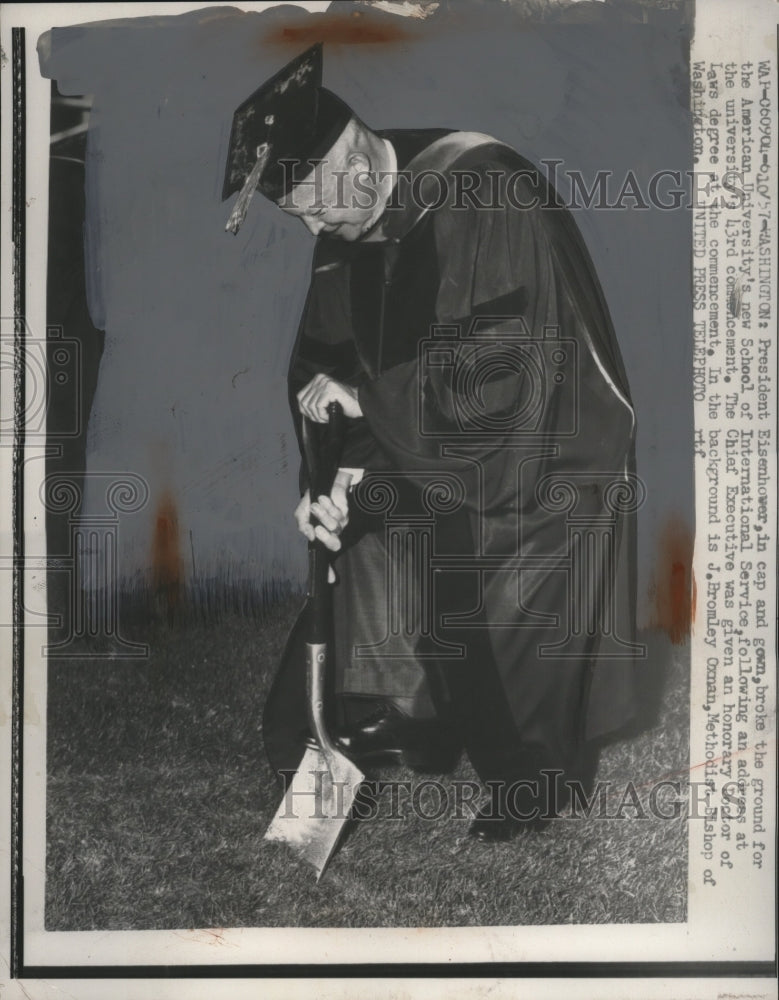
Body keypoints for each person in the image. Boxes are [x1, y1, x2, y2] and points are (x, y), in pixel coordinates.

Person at [223, 43, 642, 840]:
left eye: (314, 204)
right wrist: (326, 478)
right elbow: (323, 363)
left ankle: (527, 784)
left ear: (351, 152)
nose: (313, 227)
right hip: (429, 447)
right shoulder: (346, 226)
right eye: (300, 215)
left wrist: (373, 402)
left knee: (499, 606)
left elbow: (514, 365)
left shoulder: (484, 188)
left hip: (540, 459)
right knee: (370, 542)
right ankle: (387, 725)